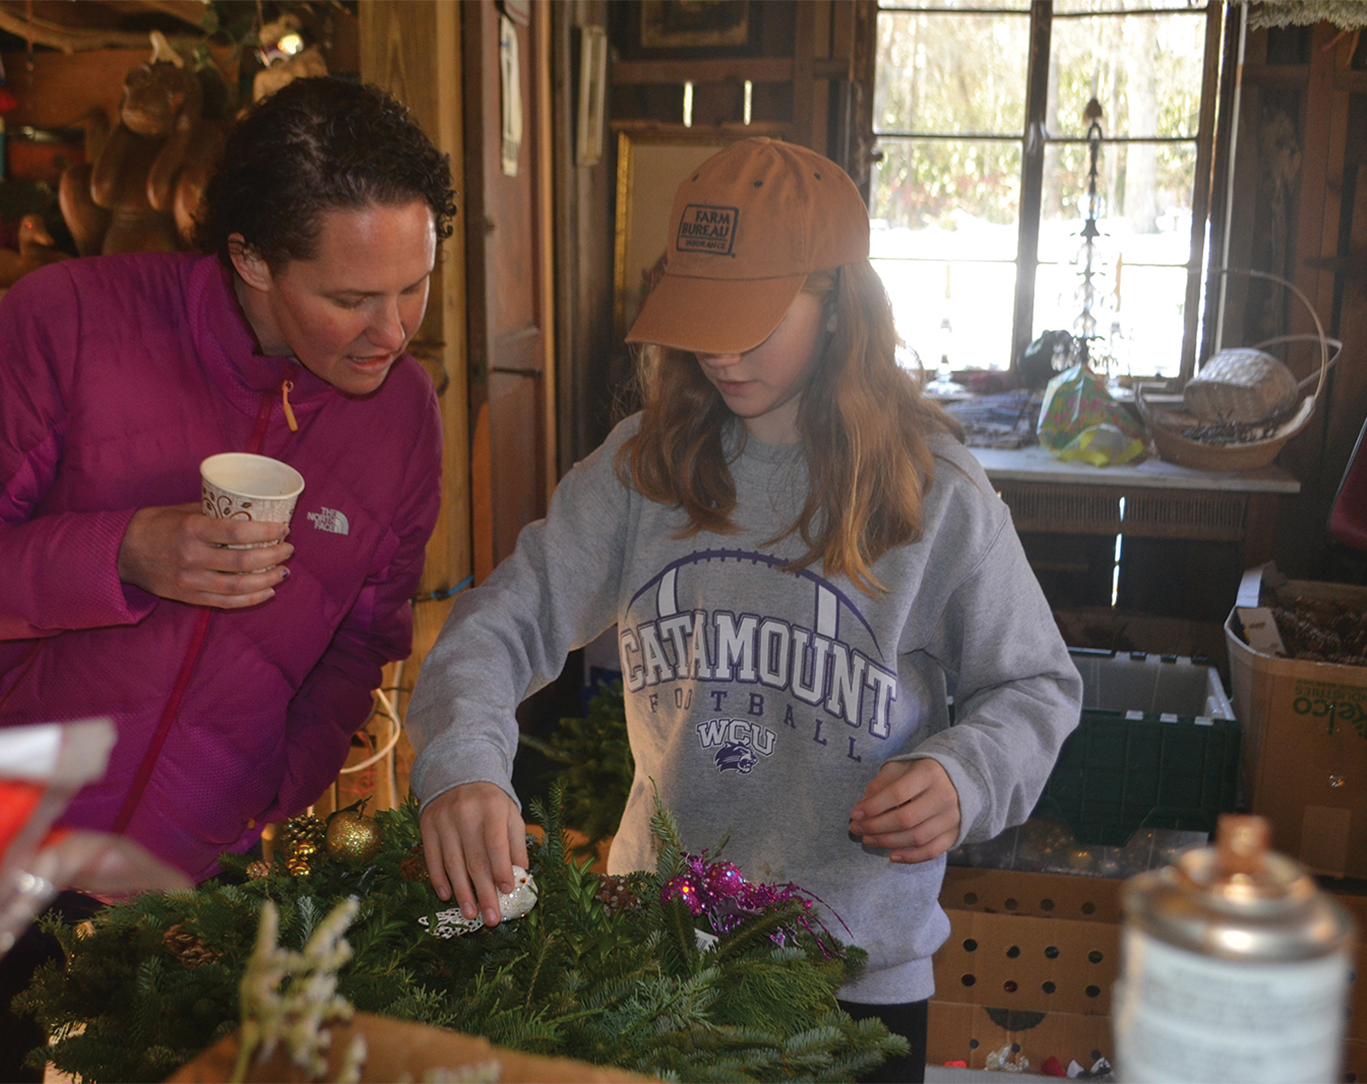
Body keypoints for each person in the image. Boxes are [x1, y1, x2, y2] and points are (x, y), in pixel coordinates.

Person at [404, 137, 1081, 1084]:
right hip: (658, 953)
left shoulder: (938, 496)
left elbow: (1036, 686)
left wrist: (966, 774)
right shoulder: (641, 469)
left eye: (754, 321)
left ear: (840, 302)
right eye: (702, 317)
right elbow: (501, 622)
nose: (719, 350)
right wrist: (464, 765)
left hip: (856, 976)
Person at [0, 76, 452, 1081]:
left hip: (193, 865)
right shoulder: (73, 325)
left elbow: (363, 639)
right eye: (351, 298)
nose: (393, 332)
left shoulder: (401, 421)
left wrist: (267, 789)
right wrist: (124, 552)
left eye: (415, 285)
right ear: (251, 258)